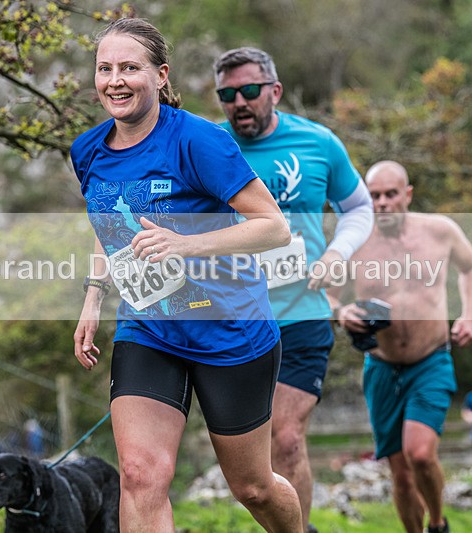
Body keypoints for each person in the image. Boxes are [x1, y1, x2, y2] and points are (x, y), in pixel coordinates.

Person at [70, 18, 302, 533]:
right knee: (139, 476)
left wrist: (185, 245)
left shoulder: (198, 140)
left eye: (130, 68)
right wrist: (94, 297)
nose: (115, 81)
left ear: (160, 75)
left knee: (253, 488)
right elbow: (109, 223)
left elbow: (274, 227)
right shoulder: (87, 151)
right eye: (105, 69)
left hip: (230, 330)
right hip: (148, 330)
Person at [212, 47, 373, 532]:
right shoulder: (208, 145)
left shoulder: (318, 142)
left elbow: (358, 208)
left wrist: (337, 254)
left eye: (249, 90)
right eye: (227, 94)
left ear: (275, 91)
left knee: (286, 439)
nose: (239, 102)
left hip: (302, 312)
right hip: (233, 320)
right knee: (253, 465)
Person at [331, 160, 472, 533]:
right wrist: (341, 312)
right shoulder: (354, 237)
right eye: (374, 196)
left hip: (430, 360)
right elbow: (328, 294)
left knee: (420, 455)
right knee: (399, 472)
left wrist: (469, 316)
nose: (382, 203)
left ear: (408, 194)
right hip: (381, 365)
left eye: (390, 194)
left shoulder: (440, 231)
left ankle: (438, 523)